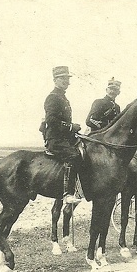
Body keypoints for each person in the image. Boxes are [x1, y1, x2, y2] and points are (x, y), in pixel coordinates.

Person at [41, 66, 82, 204]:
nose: (66, 81)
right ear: (55, 80)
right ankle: (67, 193)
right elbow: (51, 120)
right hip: (55, 139)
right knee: (74, 155)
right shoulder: (53, 97)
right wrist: (71, 127)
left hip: (65, 138)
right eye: (62, 78)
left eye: (67, 78)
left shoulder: (62, 97)